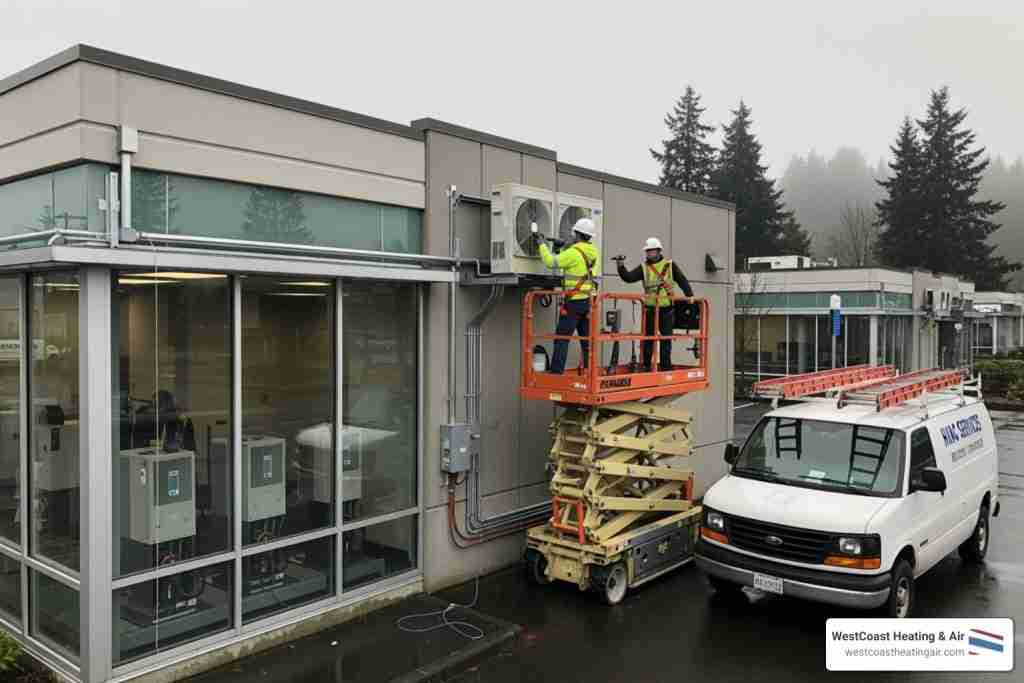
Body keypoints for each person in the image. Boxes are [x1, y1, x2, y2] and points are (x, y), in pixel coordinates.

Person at [614, 237, 694, 371]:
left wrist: (689, 294)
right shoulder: (644, 268)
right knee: (648, 339)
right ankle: (646, 365)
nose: (649, 253)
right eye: (647, 251)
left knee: (666, 339)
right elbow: (629, 278)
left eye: (651, 251)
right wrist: (620, 265)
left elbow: (682, 280)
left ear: (658, 251)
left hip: (666, 308)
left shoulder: (669, 265)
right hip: (650, 308)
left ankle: (665, 367)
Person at [537, 218, 600, 374]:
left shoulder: (573, 253)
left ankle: (556, 372)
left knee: (562, 338)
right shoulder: (594, 252)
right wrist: (560, 249)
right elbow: (572, 264)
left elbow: (551, 262)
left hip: (573, 304)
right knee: (587, 341)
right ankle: (589, 372)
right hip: (589, 302)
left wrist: (541, 244)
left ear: (577, 234)